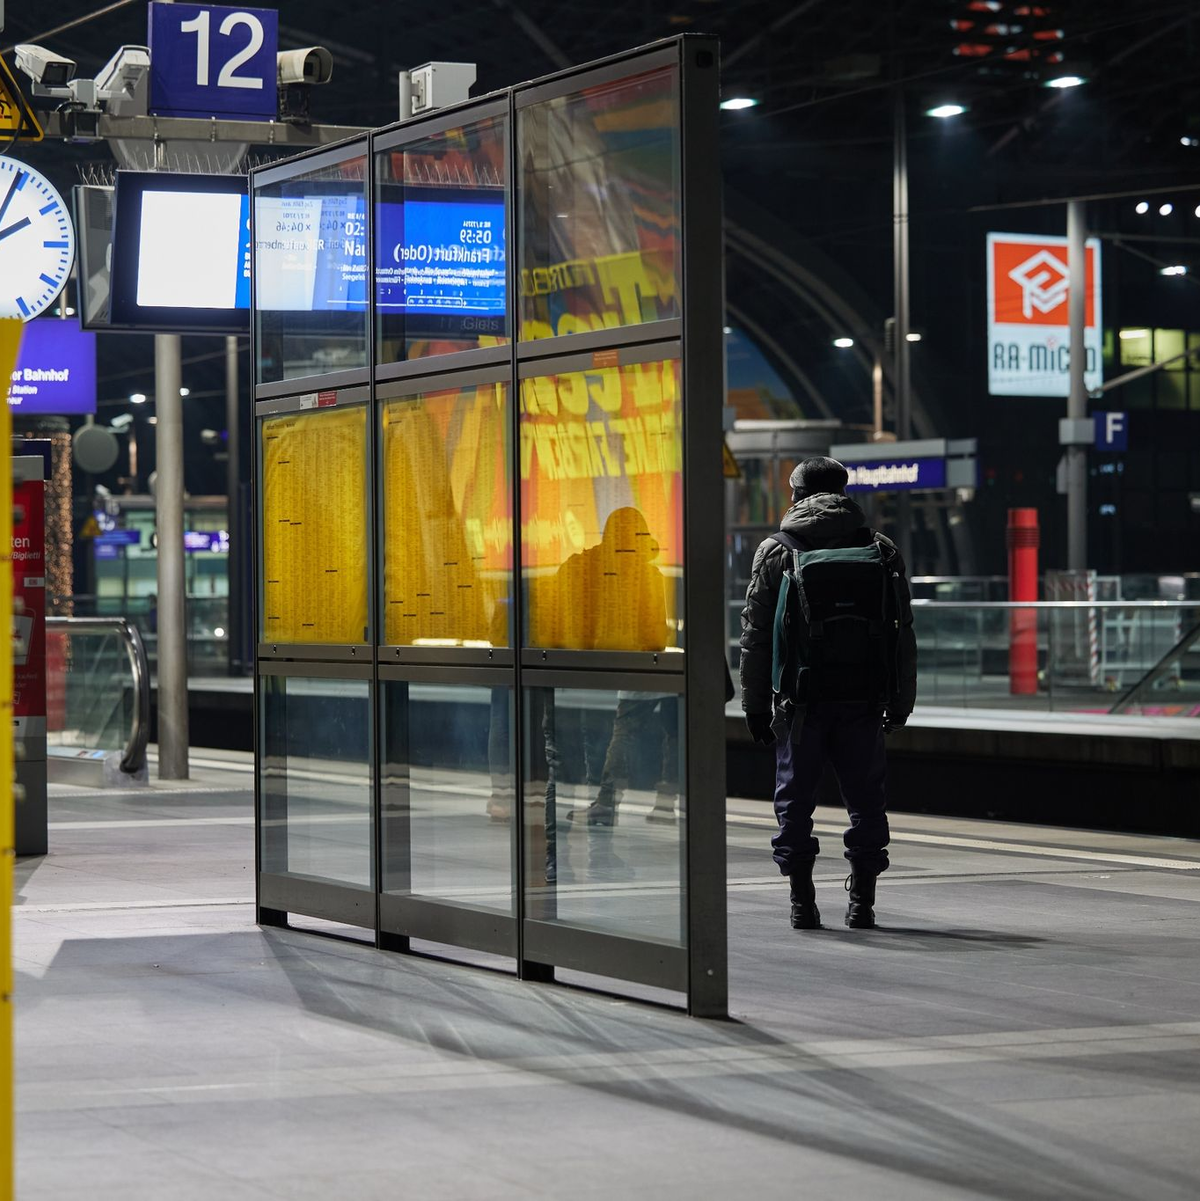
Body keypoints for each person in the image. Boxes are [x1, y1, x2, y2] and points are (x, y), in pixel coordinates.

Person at [739, 456, 916, 931]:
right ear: (844, 492)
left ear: (795, 495)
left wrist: (754, 704)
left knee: (794, 803)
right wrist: (901, 702)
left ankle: (803, 902)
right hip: (863, 700)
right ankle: (863, 903)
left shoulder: (777, 550)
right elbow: (902, 632)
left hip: (800, 704)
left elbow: (756, 636)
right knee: (866, 803)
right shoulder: (881, 549)